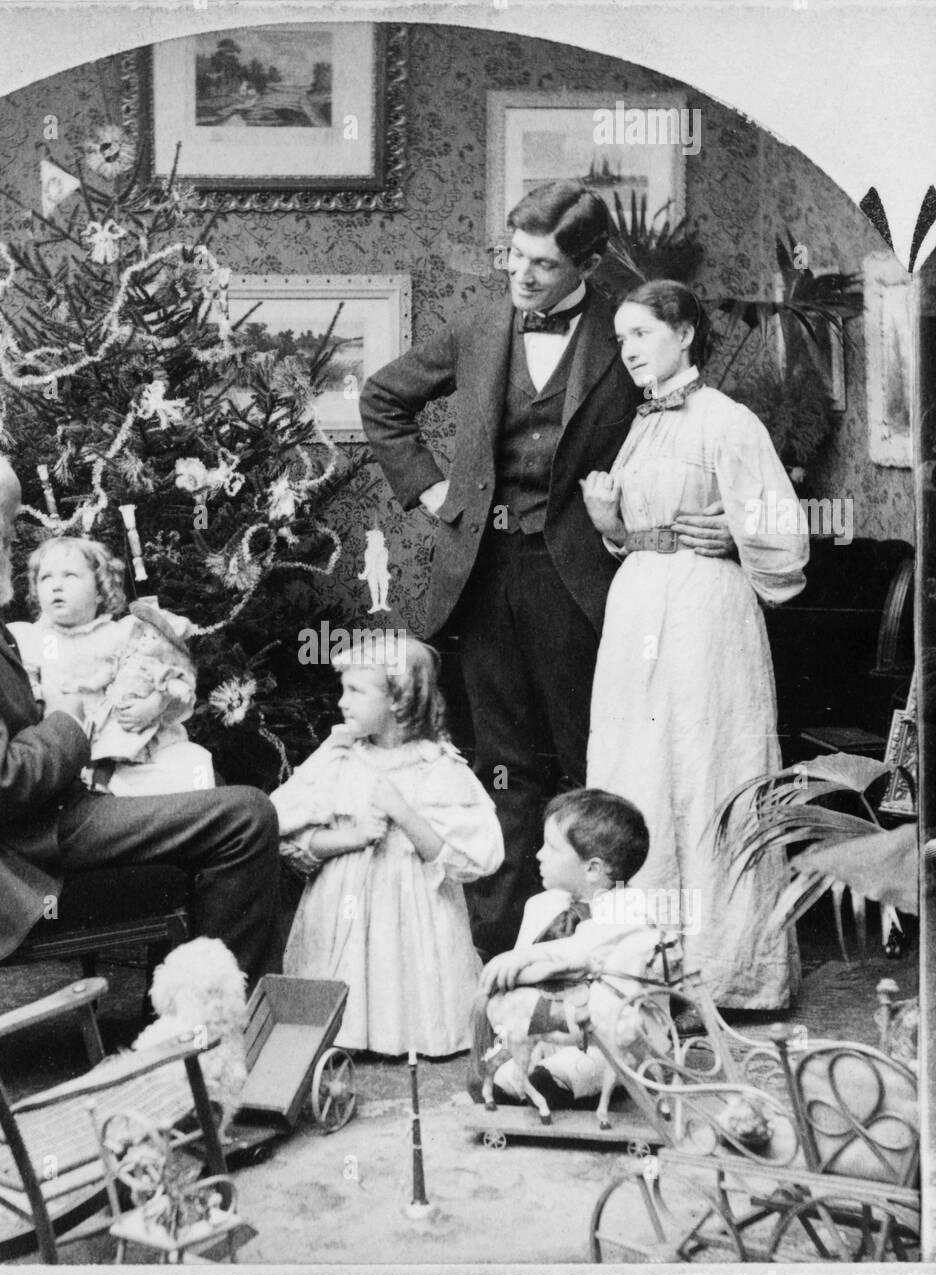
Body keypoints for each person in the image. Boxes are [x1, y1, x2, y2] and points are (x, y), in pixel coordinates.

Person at [359, 181, 733, 960]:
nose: (521, 277)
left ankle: (605, 954)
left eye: (543, 265)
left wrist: (708, 520)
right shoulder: (481, 323)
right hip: (484, 575)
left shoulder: (626, 330)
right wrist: (433, 492)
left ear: (590, 264)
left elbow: (690, 418)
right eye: (514, 257)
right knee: (502, 761)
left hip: (585, 580)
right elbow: (383, 397)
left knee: (589, 757)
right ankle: (501, 951)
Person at [0, 442, 281, 978]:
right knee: (247, 815)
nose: (10, 541)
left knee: (205, 798)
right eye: (7, 526)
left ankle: (181, 1007)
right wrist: (68, 720)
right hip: (12, 846)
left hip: (12, 823)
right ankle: (216, 1026)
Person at [581, 280, 809, 1009]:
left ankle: (729, 971)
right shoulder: (640, 423)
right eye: (620, 340)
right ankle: (646, 970)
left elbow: (783, 540)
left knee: (709, 767)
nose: (629, 352)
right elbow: (637, 532)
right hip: (640, 610)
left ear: (683, 333)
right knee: (641, 770)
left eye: (640, 335)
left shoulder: (728, 421)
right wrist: (609, 524)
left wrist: (740, 545)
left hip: (706, 618)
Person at [269, 638, 503, 1056]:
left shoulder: (438, 768)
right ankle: (347, 1032)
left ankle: (409, 1032)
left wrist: (405, 813)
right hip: (340, 912)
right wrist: (351, 837)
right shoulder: (337, 760)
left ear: (398, 701)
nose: (342, 703)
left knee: (405, 970)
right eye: (343, 689)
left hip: (416, 917)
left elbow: (472, 859)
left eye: (357, 691)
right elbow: (279, 828)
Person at [475, 788, 675, 1111]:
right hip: (557, 1025)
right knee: (505, 1075)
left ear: (592, 869)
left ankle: (571, 1083)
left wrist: (527, 959)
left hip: (617, 1034)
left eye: (551, 848)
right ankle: (537, 1072)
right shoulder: (540, 906)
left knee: (584, 1067)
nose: (538, 855)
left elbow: (580, 953)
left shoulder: (629, 910)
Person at [8, 535, 215, 797]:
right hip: (73, 754)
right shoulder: (31, 639)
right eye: (46, 578)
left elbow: (173, 675)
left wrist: (154, 704)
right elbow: (23, 697)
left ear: (99, 591)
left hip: (134, 744)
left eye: (70, 576)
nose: (56, 586)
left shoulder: (123, 633)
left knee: (191, 764)